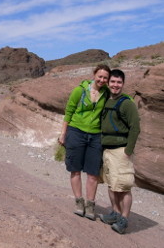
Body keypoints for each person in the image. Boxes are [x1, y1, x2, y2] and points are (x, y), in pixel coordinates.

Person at [58, 64, 111, 220]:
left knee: (93, 172)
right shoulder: (79, 90)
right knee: (75, 169)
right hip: (76, 131)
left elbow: (121, 97)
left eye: (105, 78)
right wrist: (63, 134)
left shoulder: (106, 93)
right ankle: (79, 202)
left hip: (95, 135)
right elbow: (69, 111)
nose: (102, 80)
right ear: (94, 75)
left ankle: (90, 205)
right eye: (100, 76)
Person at [99, 69, 140, 234]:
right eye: (113, 82)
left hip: (121, 151)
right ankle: (115, 213)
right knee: (112, 184)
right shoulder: (107, 100)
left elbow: (135, 127)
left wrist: (128, 150)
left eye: (119, 82)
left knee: (123, 187)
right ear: (108, 83)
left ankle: (124, 219)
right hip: (108, 150)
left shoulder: (127, 103)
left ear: (123, 84)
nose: (115, 85)